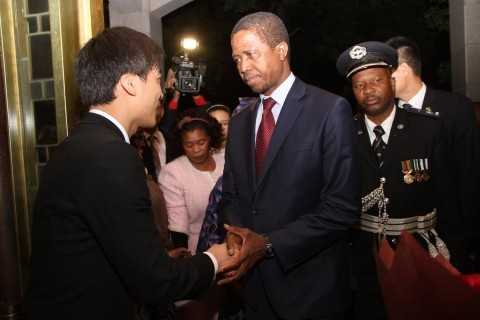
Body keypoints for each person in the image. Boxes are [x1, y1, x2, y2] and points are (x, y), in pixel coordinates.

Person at [26, 27, 230, 320]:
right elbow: (155, 283)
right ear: (130, 84)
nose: (161, 92)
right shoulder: (112, 155)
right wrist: (215, 260)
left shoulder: (77, 145)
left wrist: (155, 259)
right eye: (158, 79)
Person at [219, 12, 360, 319]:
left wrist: (268, 245)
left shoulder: (329, 110)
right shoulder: (240, 122)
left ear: (281, 50)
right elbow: (230, 195)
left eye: (250, 54)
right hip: (253, 290)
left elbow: (342, 209)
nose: (242, 67)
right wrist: (234, 233)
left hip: (311, 291)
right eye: (236, 58)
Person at [336, 41, 450, 319]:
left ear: (391, 79)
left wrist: (456, 249)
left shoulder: (428, 128)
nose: (367, 90)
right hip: (366, 256)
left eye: (375, 80)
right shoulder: (343, 134)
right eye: (359, 85)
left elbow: (449, 194)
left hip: (421, 250)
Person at [386, 36, 480, 272]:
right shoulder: (386, 116)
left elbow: (470, 173)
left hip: (452, 236)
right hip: (404, 240)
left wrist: (468, 239)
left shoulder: (455, 109)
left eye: (389, 72)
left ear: (405, 69)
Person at [159, 108, 224, 253]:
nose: (196, 149)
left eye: (201, 142)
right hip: (198, 250)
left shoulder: (225, 160)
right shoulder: (173, 172)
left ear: (210, 139)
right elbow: (178, 223)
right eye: (189, 145)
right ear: (181, 145)